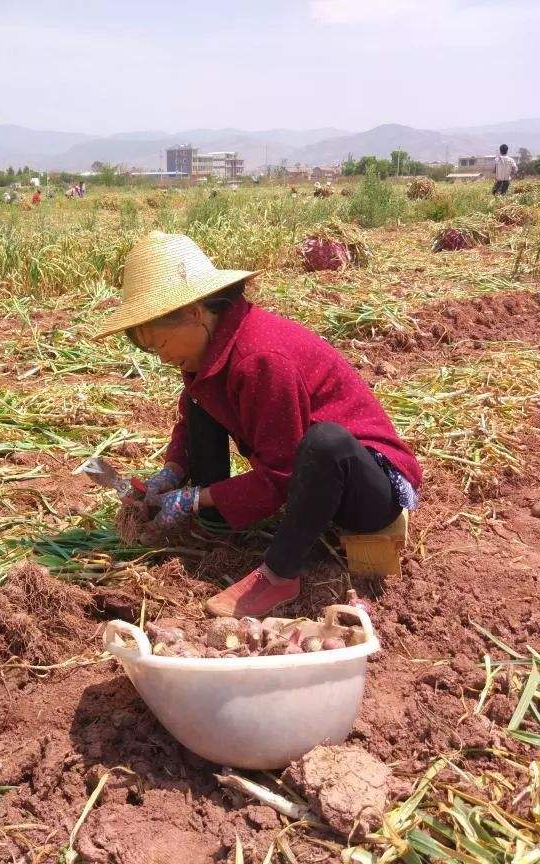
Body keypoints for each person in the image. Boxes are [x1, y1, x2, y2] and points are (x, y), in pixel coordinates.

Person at [94, 232, 421, 618]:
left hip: (365, 490)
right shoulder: (213, 349)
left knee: (326, 442)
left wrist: (193, 499)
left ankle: (281, 573)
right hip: (309, 481)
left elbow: (281, 476)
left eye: (160, 344)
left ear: (195, 312)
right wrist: (172, 473)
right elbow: (193, 410)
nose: (161, 357)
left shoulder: (261, 358)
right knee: (202, 398)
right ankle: (214, 524)